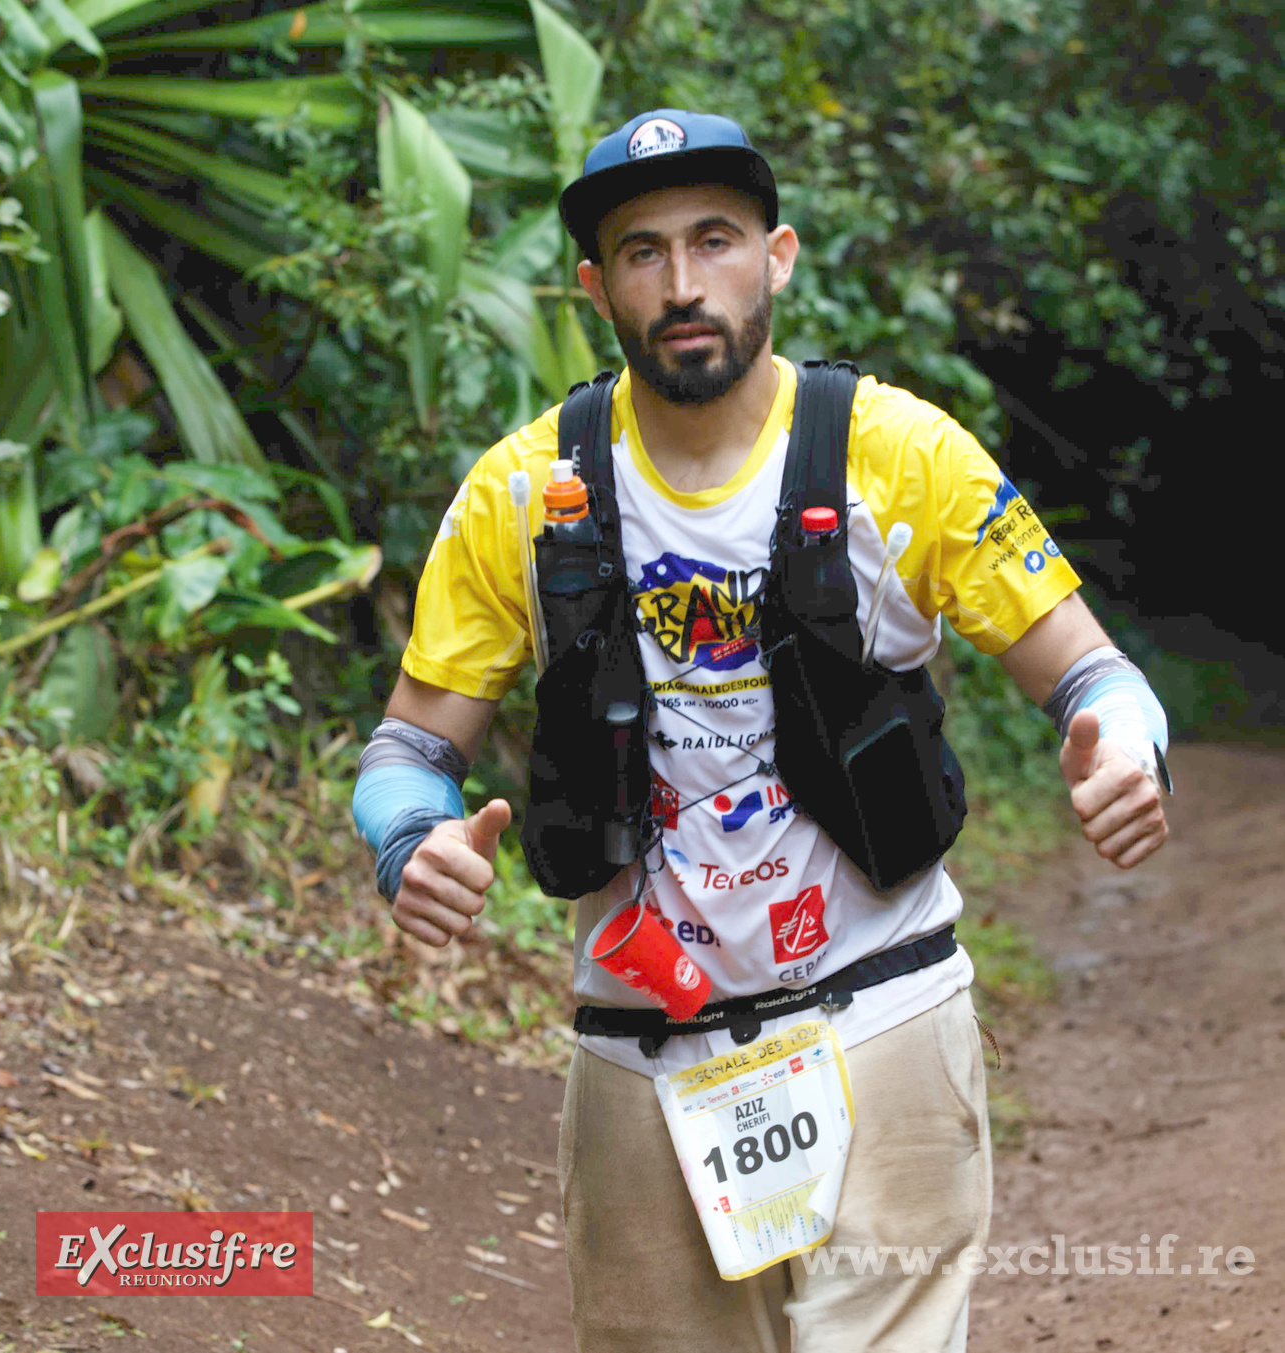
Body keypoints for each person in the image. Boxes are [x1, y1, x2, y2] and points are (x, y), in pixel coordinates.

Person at [353, 110, 1171, 1352]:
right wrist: (410, 843)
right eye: (642, 252)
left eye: (715, 240)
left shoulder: (896, 453)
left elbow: (1094, 675)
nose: (683, 285)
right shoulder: (524, 491)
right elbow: (408, 751)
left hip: (880, 1012)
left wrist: (1121, 745)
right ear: (595, 284)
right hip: (640, 1047)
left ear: (775, 256)